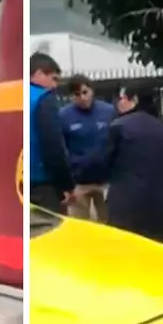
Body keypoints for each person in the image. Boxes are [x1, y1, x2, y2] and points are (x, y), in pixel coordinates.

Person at [77, 88, 163, 248]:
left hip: (126, 217)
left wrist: (72, 180)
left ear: (134, 100)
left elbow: (98, 163)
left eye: (122, 97)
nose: (118, 103)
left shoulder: (118, 127)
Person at [59, 74, 115, 221]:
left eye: (85, 92)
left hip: (106, 180)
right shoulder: (63, 116)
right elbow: (60, 148)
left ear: (92, 91)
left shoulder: (109, 112)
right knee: (79, 227)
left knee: (109, 225)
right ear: (71, 96)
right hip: (79, 183)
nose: (83, 98)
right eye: (77, 94)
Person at [28, 53, 75, 214]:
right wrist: (66, 185)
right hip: (43, 185)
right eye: (53, 79)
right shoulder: (44, 99)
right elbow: (53, 146)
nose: (55, 86)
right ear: (39, 74)